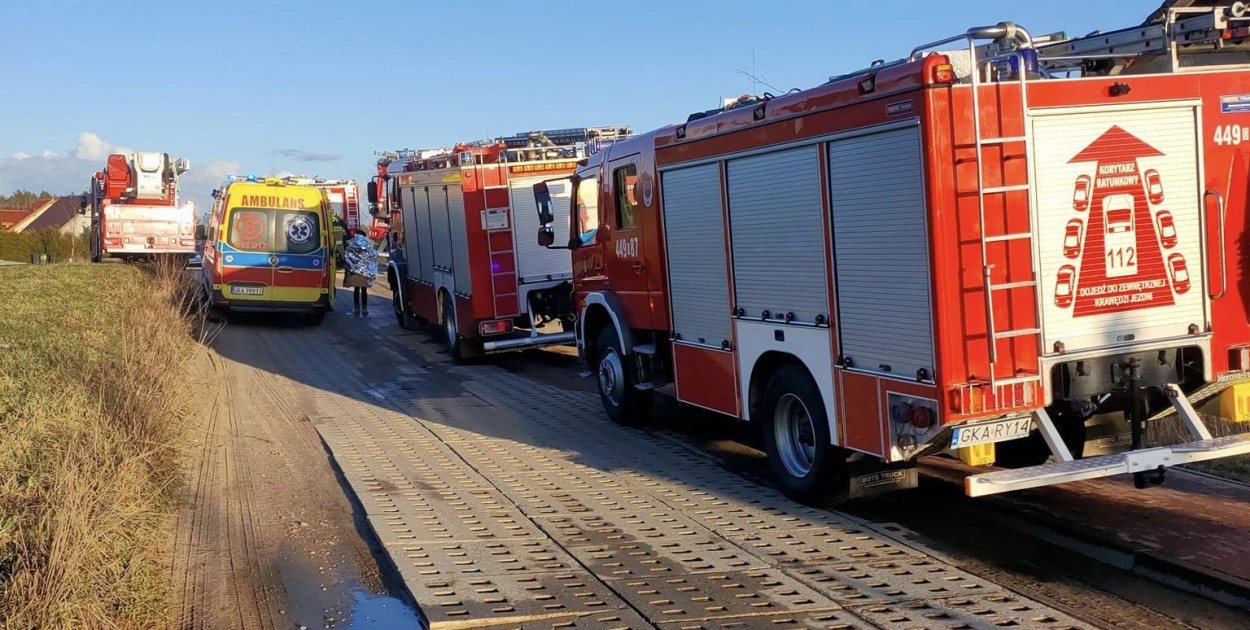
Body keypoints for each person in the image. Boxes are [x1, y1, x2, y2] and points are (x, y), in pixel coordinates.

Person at [342, 229, 378, 316]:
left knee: (356, 289)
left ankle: (357, 308)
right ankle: (364, 308)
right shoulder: (368, 245)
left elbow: (347, 258)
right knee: (364, 290)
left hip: (355, 272)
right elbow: (374, 256)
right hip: (365, 272)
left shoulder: (351, 245)